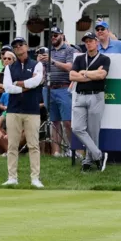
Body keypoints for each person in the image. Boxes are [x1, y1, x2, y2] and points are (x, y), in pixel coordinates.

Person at [2, 36, 44, 188]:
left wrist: (18, 83)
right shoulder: (9, 67)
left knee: (33, 145)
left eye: (21, 44)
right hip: (13, 110)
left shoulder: (36, 64)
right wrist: (27, 85)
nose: (18, 47)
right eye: (15, 46)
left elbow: (37, 81)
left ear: (26, 47)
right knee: (12, 145)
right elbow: (7, 88)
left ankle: (35, 178)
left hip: (32, 110)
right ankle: (12, 177)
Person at [70, 31, 111, 172]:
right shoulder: (80, 59)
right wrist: (90, 75)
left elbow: (101, 75)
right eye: (86, 41)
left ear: (97, 42)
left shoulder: (104, 59)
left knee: (93, 131)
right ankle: (99, 155)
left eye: (91, 41)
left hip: (96, 96)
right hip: (80, 95)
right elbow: (72, 76)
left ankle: (88, 162)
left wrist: (84, 73)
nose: (88, 43)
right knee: (77, 128)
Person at [41, 27, 76, 157]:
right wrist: (40, 63)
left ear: (62, 35)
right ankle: (57, 152)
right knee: (54, 121)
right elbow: (42, 72)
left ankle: (73, 150)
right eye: (51, 35)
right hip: (48, 89)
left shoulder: (69, 50)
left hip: (63, 88)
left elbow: (70, 67)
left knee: (68, 121)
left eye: (56, 35)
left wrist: (52, 61)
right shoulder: (47, 51)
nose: (53, 37)